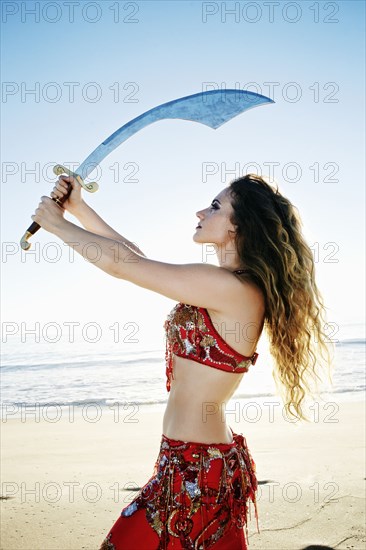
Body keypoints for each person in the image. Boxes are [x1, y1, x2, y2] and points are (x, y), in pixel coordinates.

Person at [32, 173, 333, 549]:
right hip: (189, 461)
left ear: (237, 225)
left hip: (197, 467)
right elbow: (134, 257)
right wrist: (79, 209)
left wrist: (57, 225)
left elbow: (124, 265)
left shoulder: (232, 288)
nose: (201, 211)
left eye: (215, 206)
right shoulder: (226, 282)